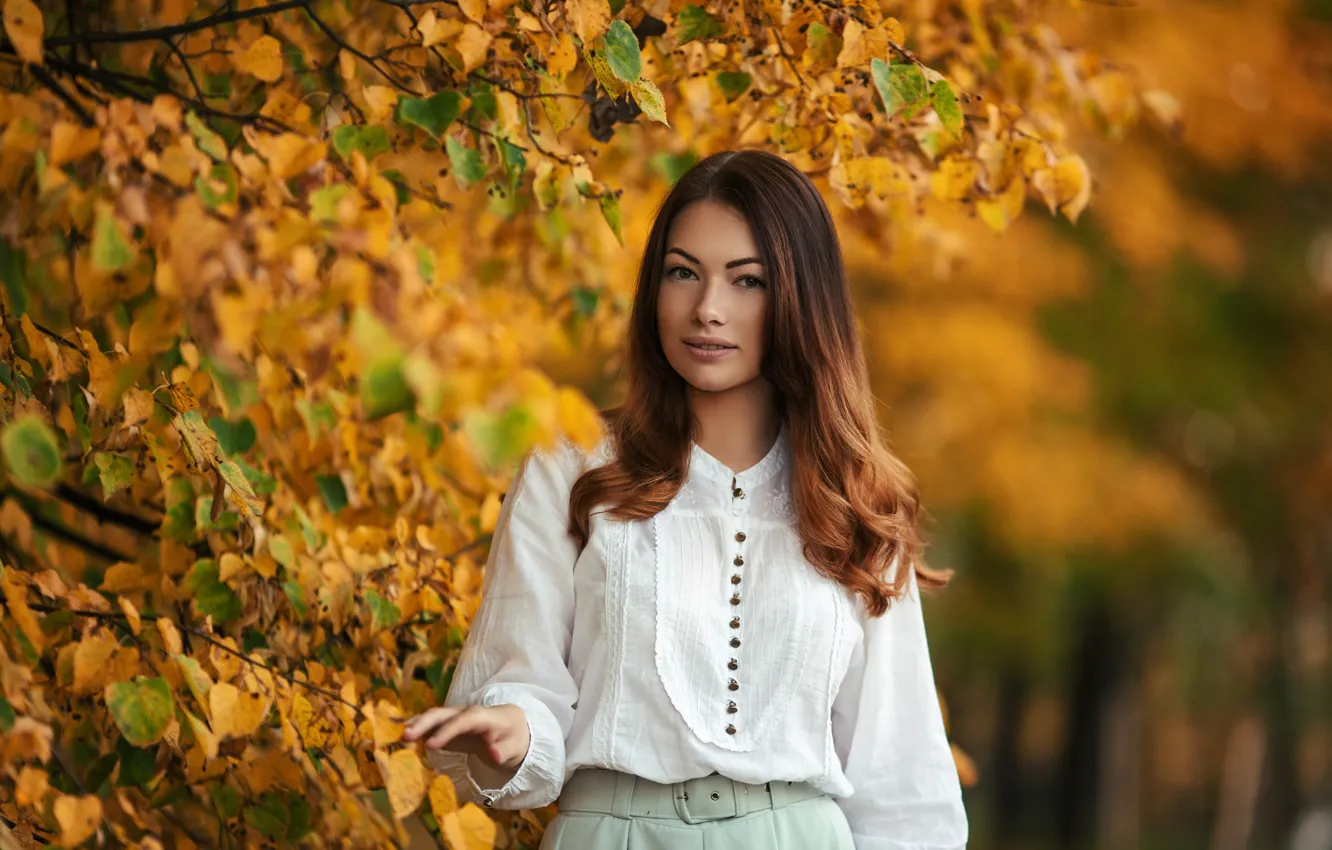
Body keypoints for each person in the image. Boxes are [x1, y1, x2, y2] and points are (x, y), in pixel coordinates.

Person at [403, 149, 968, 850]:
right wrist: (515, 728)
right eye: (682, 273)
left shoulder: (857, 498)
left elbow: (903, 786)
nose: (707, 309)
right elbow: (522, 686)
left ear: (801, 297)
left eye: (747, 281)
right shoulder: (568, 465)